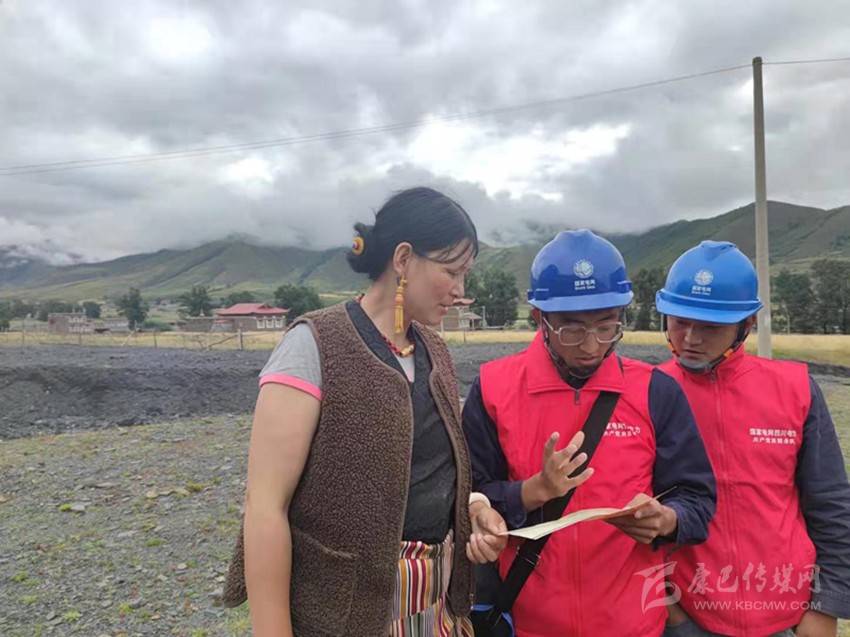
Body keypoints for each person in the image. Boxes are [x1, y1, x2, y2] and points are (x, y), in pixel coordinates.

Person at [224, 187, 508, 637]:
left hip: (435, 610)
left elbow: (429, 470)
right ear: (403, 259)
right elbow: (265, 508)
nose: (460, 291)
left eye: (465, 275)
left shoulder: (435, 352)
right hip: (343, 616)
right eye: (452, 271)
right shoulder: (314, 346)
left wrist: (472, 509)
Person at [462, 229, 717, 637]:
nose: (591, 347)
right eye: (572, 329)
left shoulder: (656, 392)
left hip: (634, 627)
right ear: (540, 319)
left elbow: (697, 498)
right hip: (526, 625)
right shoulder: (494, 389)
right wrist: (525, 494)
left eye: (606, 327)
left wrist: (667, 519)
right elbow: (471, 490)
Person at [656, 240, 850, 637]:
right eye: (679, 321)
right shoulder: (647, 392)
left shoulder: (795, 388)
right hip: (687, 615)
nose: (690, 338)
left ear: (745, 325)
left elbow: (830, 504)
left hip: (788, 616)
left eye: (710, 327)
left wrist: (825, 607)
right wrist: (672, 613)